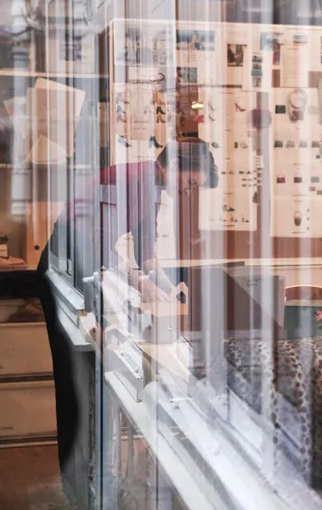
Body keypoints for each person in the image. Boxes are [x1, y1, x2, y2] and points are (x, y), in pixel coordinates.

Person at [35, 137, 219, 503]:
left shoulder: (152, 188)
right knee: (74, 385)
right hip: (64, 270)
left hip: (84, 268)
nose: (187, 191)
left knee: (94, 381)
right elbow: (100, 247)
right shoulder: (131, 179)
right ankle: (77, 488)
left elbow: (146, 255)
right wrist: (139, 283)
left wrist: (168, 288)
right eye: (190, 183)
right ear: (176, 166)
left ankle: (92, 481)